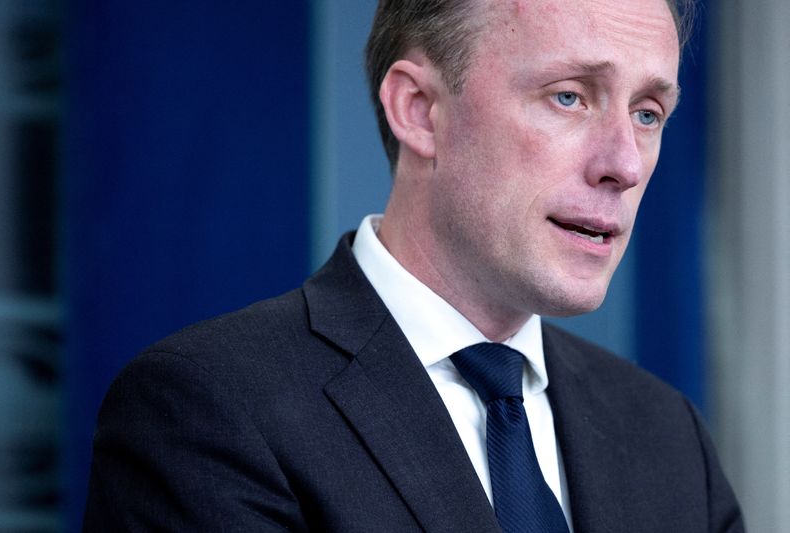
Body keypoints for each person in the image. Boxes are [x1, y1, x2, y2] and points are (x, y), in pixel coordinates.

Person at [83, 0, 745, 531]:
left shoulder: (669, 436)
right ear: (420, 110)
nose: (625, 165)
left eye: (648, 113)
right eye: (569, 96)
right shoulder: (207, 410)